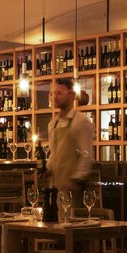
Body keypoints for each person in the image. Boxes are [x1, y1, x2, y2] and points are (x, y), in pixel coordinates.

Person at [44, 78, 94, 207]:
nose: (55, 97)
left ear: (71, 95)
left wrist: (75, 181)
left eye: (59, 93)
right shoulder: (53, 123)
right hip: (56, 186)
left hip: (74, 188)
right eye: (53, 93)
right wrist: (48, 168)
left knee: (72, 217)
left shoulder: (81, 121)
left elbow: (86, 155)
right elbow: (54, 153)